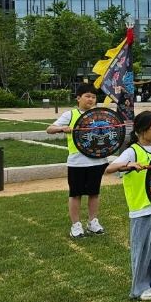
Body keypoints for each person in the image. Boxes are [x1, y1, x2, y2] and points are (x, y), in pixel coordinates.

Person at [105, 111, 151, 301]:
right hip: (141, 207)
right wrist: (130, 165)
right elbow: (109, 169)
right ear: (142, 130)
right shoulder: (132, 151)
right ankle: (140, 287)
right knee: (142, 248)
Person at [46, 82, 108, 238]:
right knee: (75, 194)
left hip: (98, 161)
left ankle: (93, 223)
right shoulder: (70, 115)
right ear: (78, 98)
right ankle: (76, 225)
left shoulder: (100, 115)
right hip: (77, 162)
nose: (91, 99)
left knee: (94, 193)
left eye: (93, 97)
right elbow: (49, 129)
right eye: (87, 96)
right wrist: (62, 128)